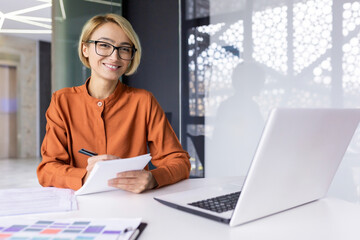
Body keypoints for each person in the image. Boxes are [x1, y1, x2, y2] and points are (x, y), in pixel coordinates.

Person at [37, 13, 191, 193]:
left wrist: (153, 179)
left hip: (135, 205)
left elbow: (180, 162)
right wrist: (85, 176)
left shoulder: (144, 101)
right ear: (85, 49)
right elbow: (47, 170)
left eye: (124, 49)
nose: (114, 57)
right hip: (81, 205)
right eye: (103, 45)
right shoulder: (62, 101)